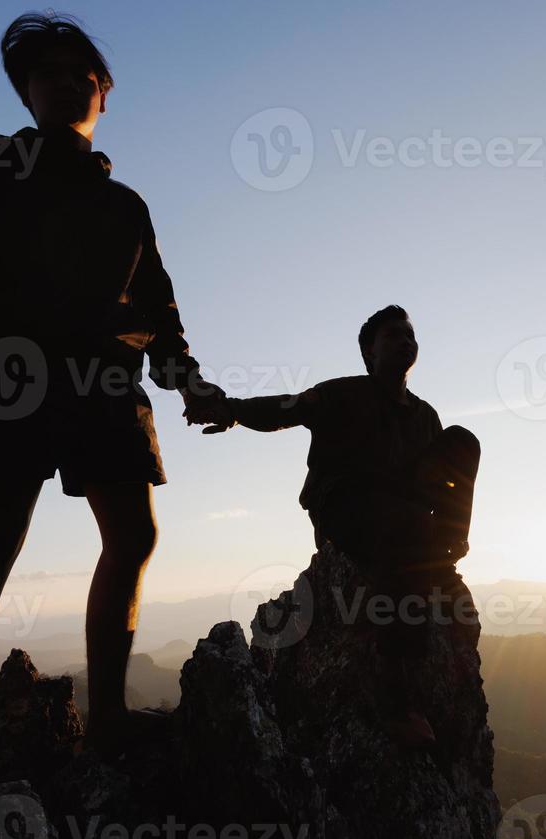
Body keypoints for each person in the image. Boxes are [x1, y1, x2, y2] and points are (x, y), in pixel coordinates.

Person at [0, 11, 225, 839]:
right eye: (44, 71)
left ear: (104, 93)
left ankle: (107, 717)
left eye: (81, 70)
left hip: (108, 377)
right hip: (20, 369)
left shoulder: (125, 204)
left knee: (134, 535)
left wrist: (186, 382)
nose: (65, 79)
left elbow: (161, 308)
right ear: (25, 92)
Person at [189, 306, 480, 748]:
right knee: (402, 535)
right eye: (393, 335)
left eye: (410, 334)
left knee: (463, 440)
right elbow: (285, 409)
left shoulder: (425, 417)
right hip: (347, 507)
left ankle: (446, 549)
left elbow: (446, 477)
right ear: (368, 352)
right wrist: (230, 410)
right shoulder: (342, 395)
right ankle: (395, 699)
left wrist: (444, 528)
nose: (405, 341)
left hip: (407, 517)